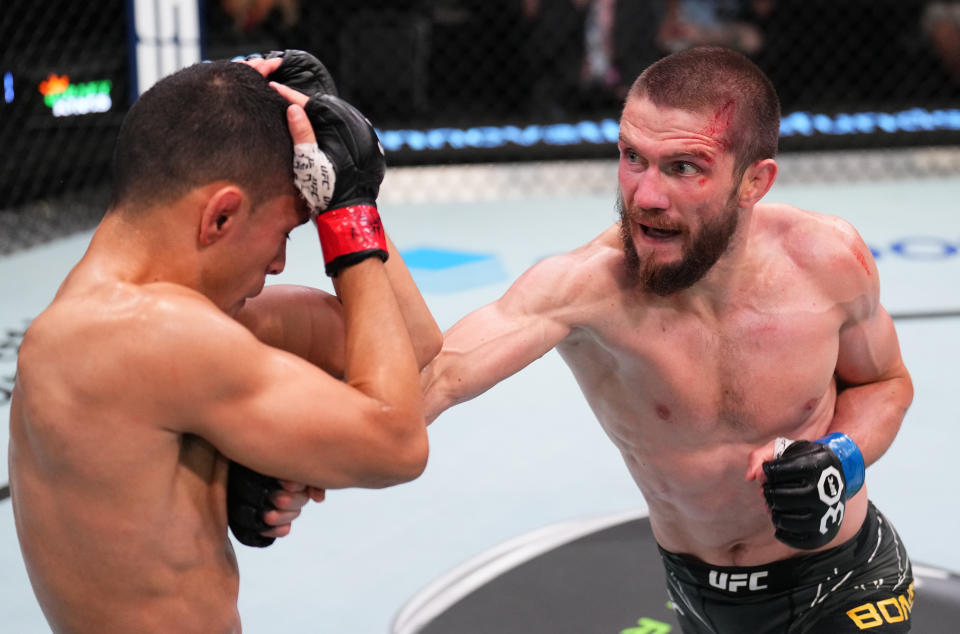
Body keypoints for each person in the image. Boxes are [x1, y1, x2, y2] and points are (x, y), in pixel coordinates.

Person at [421, 46, 915, 633]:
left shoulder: (827, 260)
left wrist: (842, 458)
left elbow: (885, 382)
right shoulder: (580, 291)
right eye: (633, 158)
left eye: (684, 167)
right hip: (696, 595)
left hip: (846, 579)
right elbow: (435, 379)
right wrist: (290, 457)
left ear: (754, 181)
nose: (646, 196)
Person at [8, 57, 441, 632]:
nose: (283, 261)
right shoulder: (140, 335)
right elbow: (398, 443)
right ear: (221, 216)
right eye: (287, 230)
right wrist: (346, 209)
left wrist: (350, 196)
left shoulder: (150, 322)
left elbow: (411, 345)